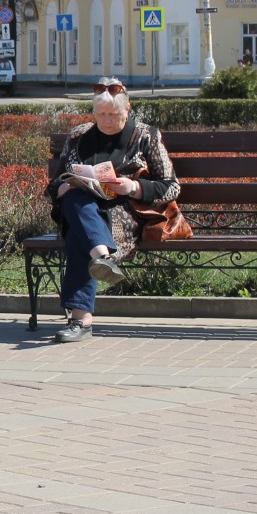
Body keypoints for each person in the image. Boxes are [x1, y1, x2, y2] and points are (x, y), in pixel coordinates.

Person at [47, 77, 180, 344]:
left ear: (127, 110)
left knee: (79, 235)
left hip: (124, 213)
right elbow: (57, 181)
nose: (107, 120)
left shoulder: (145, 136)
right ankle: (102, 258)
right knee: (74, 198)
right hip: (83, 208)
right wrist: (60, 188)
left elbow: (171, 187)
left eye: (114, 115)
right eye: (101, 114)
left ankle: (80, 320)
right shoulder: (78, 136)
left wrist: (132, 186)